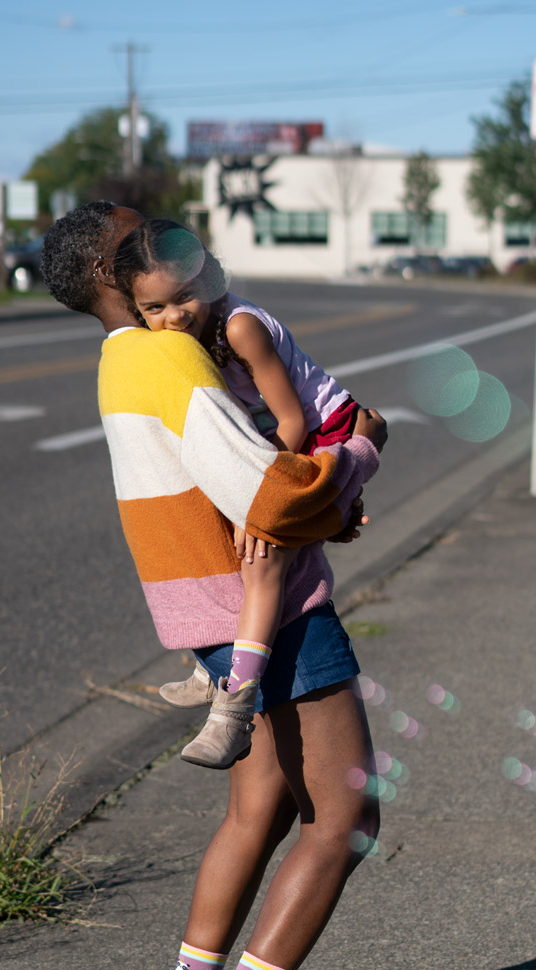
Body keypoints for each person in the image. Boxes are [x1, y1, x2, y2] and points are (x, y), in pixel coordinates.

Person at [41, 201, 388, 970]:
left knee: (263, 805)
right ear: (119, 280)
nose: (160, 229)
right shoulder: (167, 359)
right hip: (266, 616)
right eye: (137, 232)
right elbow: (273, 497)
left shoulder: (123, 356)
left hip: (208, 611)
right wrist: (359, 449)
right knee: (346, 816)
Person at [114, 218, 364, 771]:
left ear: (207, 280)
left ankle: (234, 709)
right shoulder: (178, 338)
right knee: (234, 544)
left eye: (183, 298)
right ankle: (214, 669)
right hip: (278, 439)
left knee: (263, 560)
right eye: (154, 309)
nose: (173, 317)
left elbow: (293, 418)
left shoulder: (239, 327)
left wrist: (257, 499)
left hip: (324, 431)